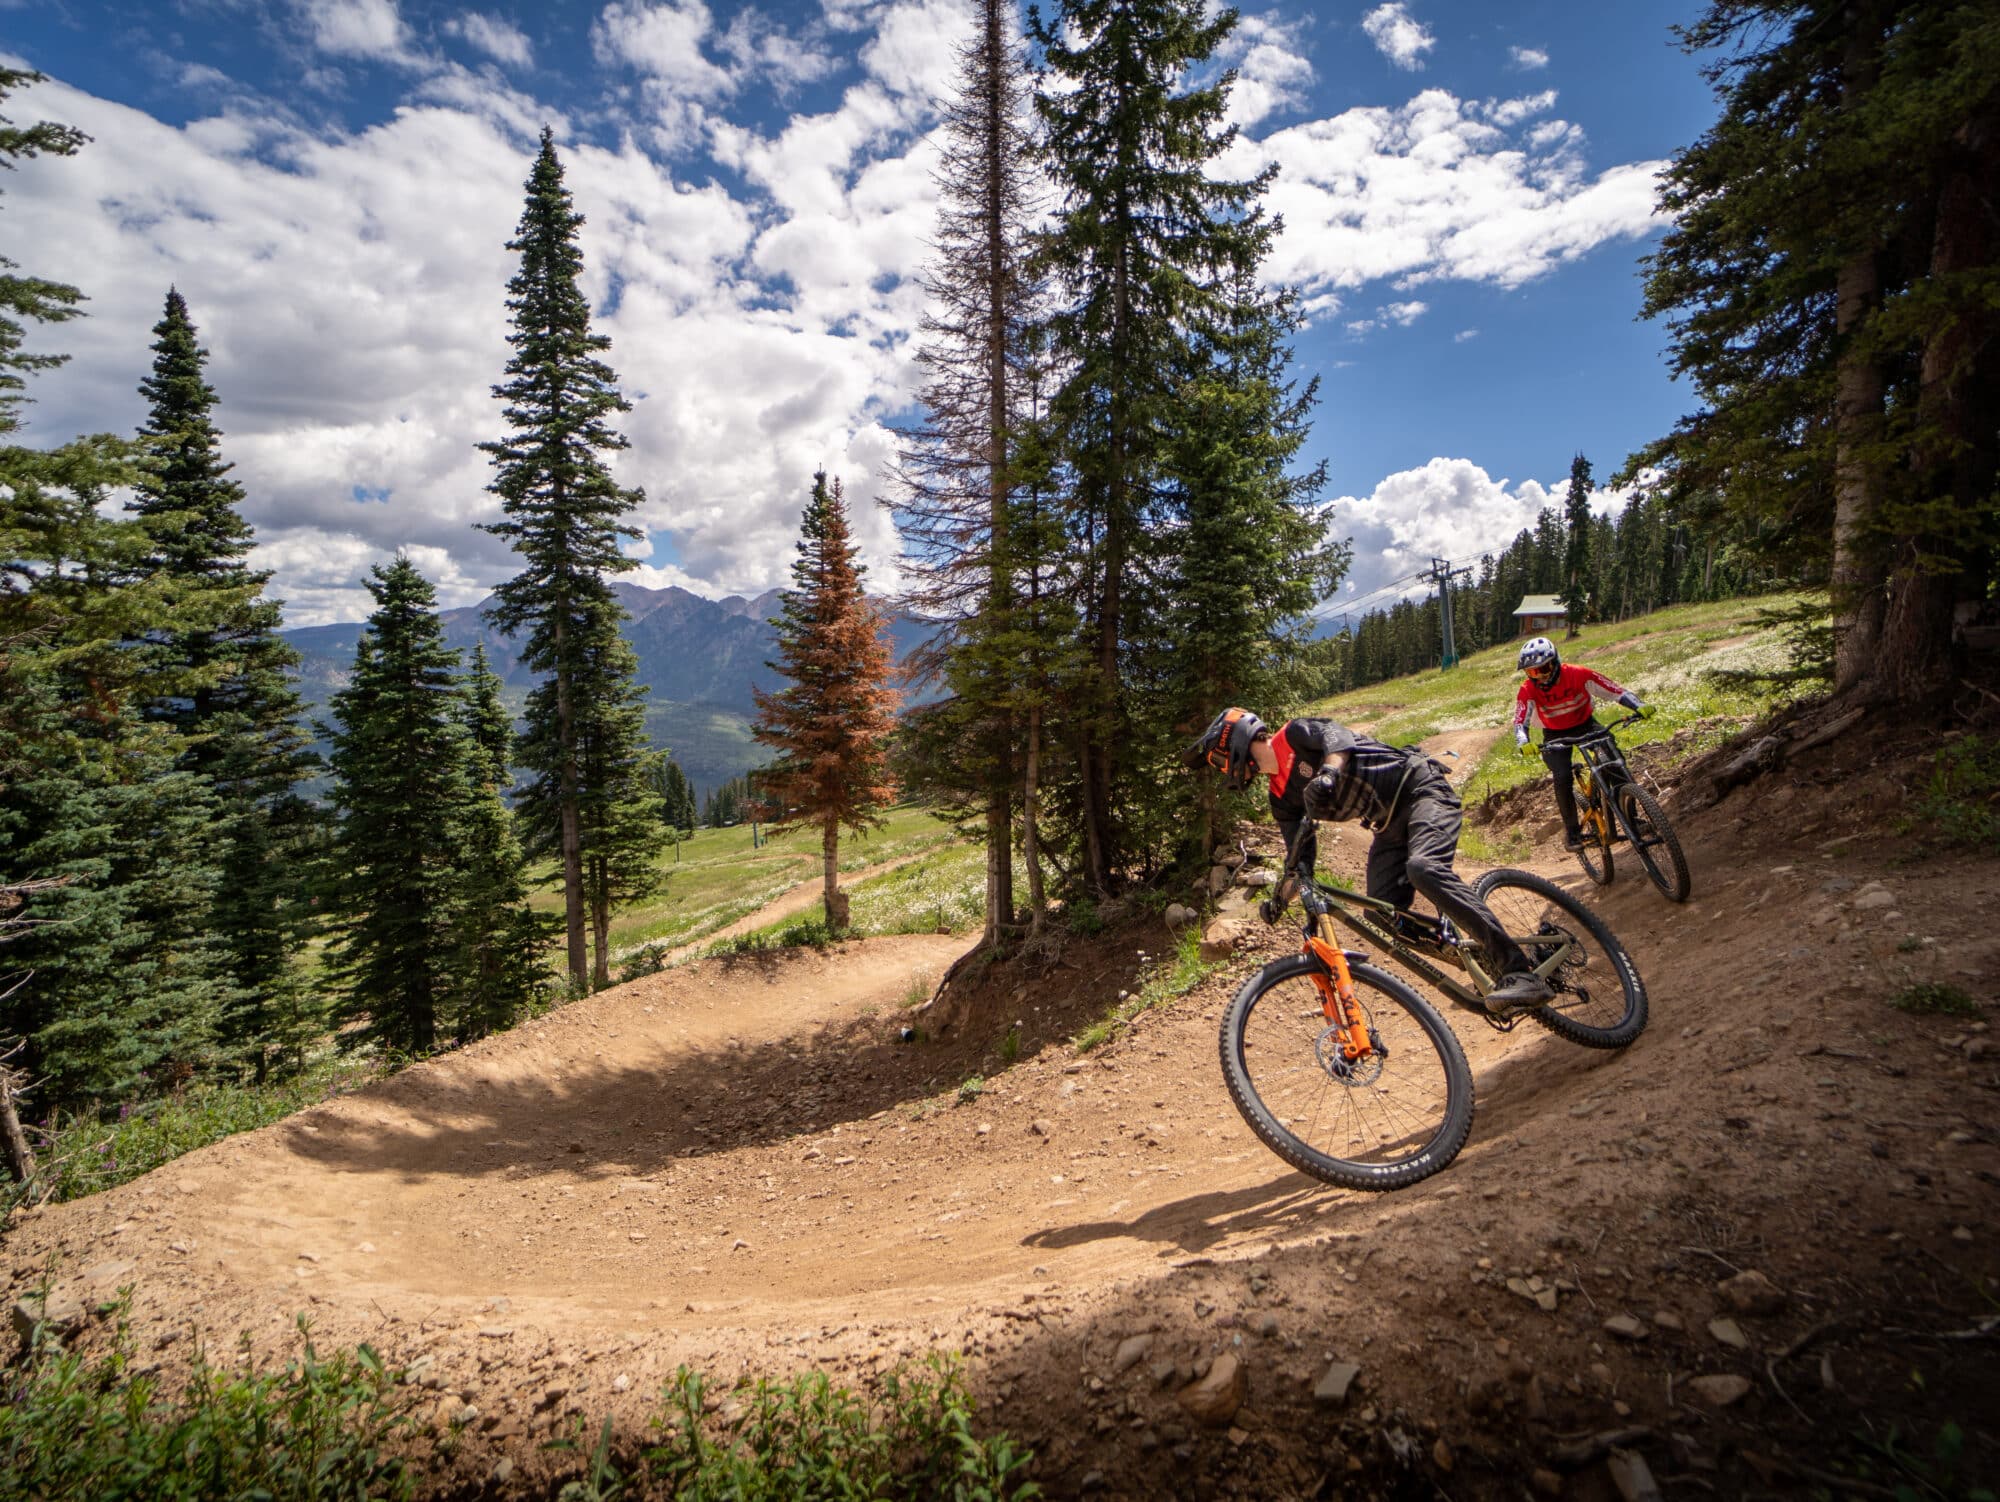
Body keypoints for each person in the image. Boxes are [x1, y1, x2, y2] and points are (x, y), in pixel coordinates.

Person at [1193, 707, 1554, 1013]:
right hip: (1389, 826)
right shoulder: (1281, 798)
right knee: (1380, 911)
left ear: (1236, 740)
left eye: (1219, 759)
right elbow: (1299, 860)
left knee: (1424, 869)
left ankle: (1519, 970)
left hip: (1420, 788)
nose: (1223, 769)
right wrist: (1280, 898)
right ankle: (1477, 961)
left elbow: (1338, 738)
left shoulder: (1295, 734)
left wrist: (1329, 771)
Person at [1510, 637, 1654, 851]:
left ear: (1556, 661)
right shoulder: (1528, 690)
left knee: (1614, 763)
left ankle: (1632, 817)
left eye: (1544, 668)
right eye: (1532, 672)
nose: (1540, 676)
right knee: (1563, 776)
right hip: (1554, 734)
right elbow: (1520, 721)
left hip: (1586, 724)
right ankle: (1572, 832)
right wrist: (1524, 742)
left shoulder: (1578, 674)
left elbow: (1615, 690)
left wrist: (1638, 705)